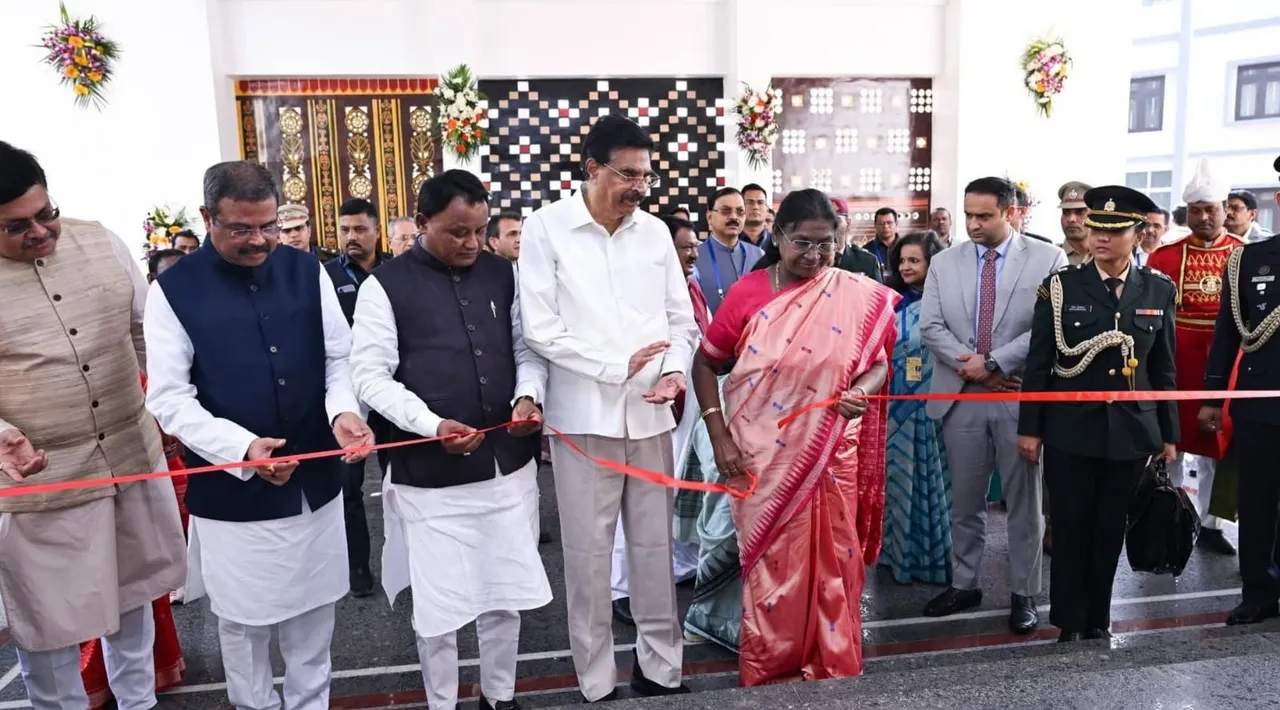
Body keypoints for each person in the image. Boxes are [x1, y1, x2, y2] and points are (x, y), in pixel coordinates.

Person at [145, 160, 373, 710]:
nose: (259, 241)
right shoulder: (172, 291)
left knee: (315, 619)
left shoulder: (305, 269)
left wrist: (342, 411)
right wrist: (241, 449)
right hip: (234, 493)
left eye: (268, 226)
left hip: (314, 484)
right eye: (241, 229)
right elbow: (169, 398)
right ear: (207, 218)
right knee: (245, 627)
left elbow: (339, 357)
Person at [350, 170, 551, 710]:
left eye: (481, 231)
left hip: (507, 467)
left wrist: (528, 397)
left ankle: (499, 695)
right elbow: (370, 377)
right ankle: (441, 701)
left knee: (505, 594)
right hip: (429, 478)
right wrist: (429, 425)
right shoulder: (383, 286)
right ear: (421, 224)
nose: (472, 244)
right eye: (458, 232)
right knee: (439, 605)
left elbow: (527, 350)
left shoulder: (503, 274)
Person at [0, 140, 186, 710]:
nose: (40, 231)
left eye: (46, 213)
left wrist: (169, 405)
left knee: (134, 607)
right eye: (16, 226)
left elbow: (146, 332)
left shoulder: (103, 241)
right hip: (43, 485)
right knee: (52, 630)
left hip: (131, 457)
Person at [518, 114, 698, 702]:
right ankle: (596, 680)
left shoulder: (652, 234)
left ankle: (661, 668)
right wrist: (612, 365)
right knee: (590, 558)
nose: (640, 187)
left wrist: (672, 373)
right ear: (592, 169)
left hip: (650, 416)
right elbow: (540, 329)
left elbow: (681, 320)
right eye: (628, 174)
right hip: (583, 422)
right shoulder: (546, 229)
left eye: (646, 175)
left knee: (653, 549)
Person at [689, 188, 897, 685]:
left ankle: (831, 654)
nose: (815, 257)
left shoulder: (852, 293)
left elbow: (879, 365)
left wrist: (860, 392)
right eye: (803, 243)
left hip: (831, 451)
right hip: (763, 453)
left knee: (834, 558)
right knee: (773, 564)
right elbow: (706, 362)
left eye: (826, 245)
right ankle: (772, 661)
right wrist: (719, 437)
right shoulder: (750, 292)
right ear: (779, 236)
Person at [1018, 185, 1178, 641]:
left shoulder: (1157, 289)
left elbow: (1163, 367)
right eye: (1095, 229)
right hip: (1072, 429)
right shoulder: (1062, 287)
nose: (1101, 238)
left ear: (1138, 234)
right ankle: (1069, 619)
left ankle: (1098, 618)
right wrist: (1030, 428)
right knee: (1070, 526)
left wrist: (1169, 432)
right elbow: (1039, 363)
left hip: (1131, 430)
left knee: (1110, 528)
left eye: (1114, 231)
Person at [918, 177, 1068, 633]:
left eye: (984, 216)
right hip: (962, 396)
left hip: (1017, 399)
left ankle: (1024, 593)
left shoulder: (1048, 259)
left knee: (1024, 505)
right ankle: (965, 583)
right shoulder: (945, 261)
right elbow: (930, 326)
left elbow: (1048, 327)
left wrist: (997, 361)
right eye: (968, 215)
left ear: (1012, 212)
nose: (974, 224)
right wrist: (974, 366)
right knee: (965, 502)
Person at [1146, 158, 1244, 556]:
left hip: (1224, 364)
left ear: (1226, 209)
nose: (1203, 217)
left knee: (1216, 447)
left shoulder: (1244, 254)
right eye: (1196, 210)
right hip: (1174, 360)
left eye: (1211, 209)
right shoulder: (1163, 258)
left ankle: (1211, 523)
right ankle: (1165, 515)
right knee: (1168, 442)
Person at [610, 216, 706, 626]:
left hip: (686, 405)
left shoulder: (692, 286)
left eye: (694, 245)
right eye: (684, 247)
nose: (692, 253)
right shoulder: (639, 292)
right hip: (648, 404)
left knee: (673, 496)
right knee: (631, 503)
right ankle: (621, 588)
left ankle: (677, 567)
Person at [1199, 156, 1280, 626]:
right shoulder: (1251, 259)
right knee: (1257, 502)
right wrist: (1212, 397)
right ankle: (1258, 591)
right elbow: (1229, 332)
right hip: (1260, 404)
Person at [324, 197, 391, 597]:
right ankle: (358, 567)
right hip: (348, 392)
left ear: (376, 231)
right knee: (349, 485)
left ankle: (406, 559)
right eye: (345, 229)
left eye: (360, 229)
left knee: (398, 477)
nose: (352, 237)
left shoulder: (397, 273)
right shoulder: (325, 276)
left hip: (390, 386)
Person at [881, 230, 952, 585]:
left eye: (915, 260)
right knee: (895, 480)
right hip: (894, 409)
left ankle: (932, 560)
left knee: (933, 481)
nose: (906, 267)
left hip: (934, 408)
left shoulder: (949, 303)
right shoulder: (888, 301)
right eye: (902, 260)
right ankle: (895, 555)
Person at [695, 187, 763, 315]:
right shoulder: (694, 258)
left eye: (740, 211)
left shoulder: (759, 256)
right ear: (709, 217)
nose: (734, 217)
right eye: (726, 211)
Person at [1058, 181, 1093, 265]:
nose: (1071, 219)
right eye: (1066, 212)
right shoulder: (1051, 257)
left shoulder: (1108, 256)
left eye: (1080, 212)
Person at [740, 183, 773, 250]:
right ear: (740, 207)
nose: (755, 207)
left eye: (760, 202)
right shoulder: (729, 241)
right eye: (750, 202)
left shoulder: (777, 243)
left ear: (766, 209)